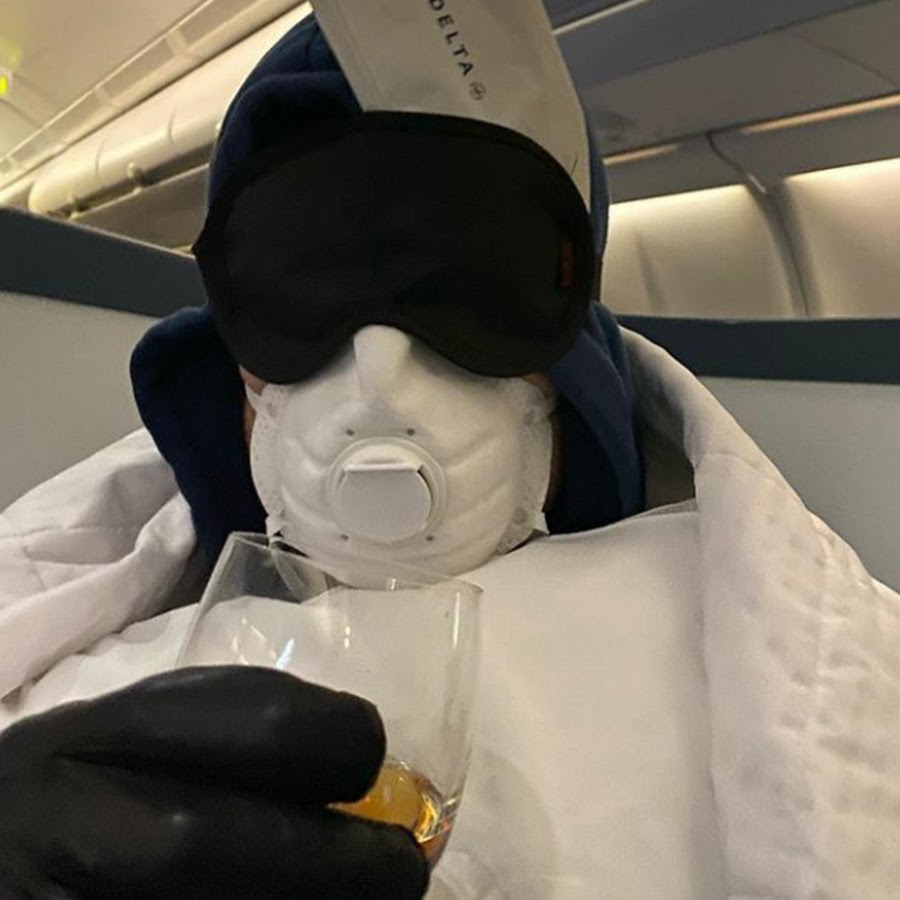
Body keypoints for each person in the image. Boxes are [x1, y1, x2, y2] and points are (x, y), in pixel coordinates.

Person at [1, 13, 898, 900]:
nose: (380, 382)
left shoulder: (723, 640)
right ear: (234, 356)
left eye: (475, 288)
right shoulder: (83, 687)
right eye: (303, 282)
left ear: (570, 351)